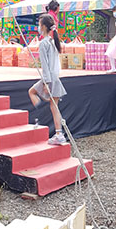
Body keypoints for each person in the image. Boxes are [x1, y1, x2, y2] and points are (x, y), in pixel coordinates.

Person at [28, 14, 68, 145]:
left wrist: (46, 82)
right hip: (54, 77)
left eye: (39, 25)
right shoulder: (52, 41)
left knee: (32, 92)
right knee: (54, 106)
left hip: (50, 78)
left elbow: (45, 65)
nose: (38, 27)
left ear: (44, 27)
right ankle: (59, 133)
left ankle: (39, 107)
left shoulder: (44, 43)